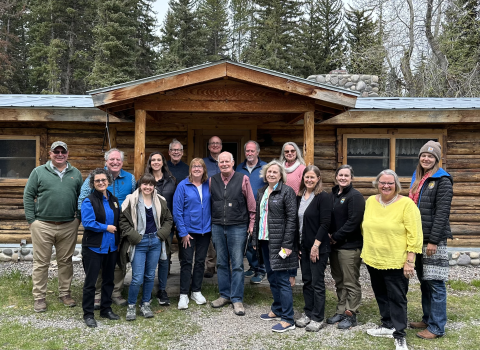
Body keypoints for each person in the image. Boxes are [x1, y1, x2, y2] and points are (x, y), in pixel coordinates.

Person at [362, 169, 423, 350]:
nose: (386, 186)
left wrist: (410, 260)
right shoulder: (371, 202)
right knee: (381, 294)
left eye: (390, 183)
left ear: (396, 184)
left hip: (396, 261)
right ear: (377, 184)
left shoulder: (406, 204)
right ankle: (387, 325)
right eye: (382, 182)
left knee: (397, 298)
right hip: (373, 259)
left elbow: (415, 234)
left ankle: (400, 334)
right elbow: (365, 227)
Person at [24, 141, 83, 313]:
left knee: (65, 261)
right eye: (56, 151)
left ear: (67, 153)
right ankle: (39, 297)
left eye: (62, 152)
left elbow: (81, 197)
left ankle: (65, 293)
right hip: (42, 224)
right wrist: (31, 220)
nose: (59, 154)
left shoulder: (76, 174)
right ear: (50, 153)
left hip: (68, 225)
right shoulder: (38, 172)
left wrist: (77, 219)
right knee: (41, 262)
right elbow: (28, 195)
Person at [78, 148, 136, 308]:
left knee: (118, 261)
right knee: (98, 262)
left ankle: (116, 292)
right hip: (100, 226)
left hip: (122, 227)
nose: (115, 162)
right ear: (106, 161)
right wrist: (84, 219)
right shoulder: (95, 177)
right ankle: (97, 293)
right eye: (112, 160)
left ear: (122, 162)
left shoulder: (130, 179)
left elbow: (135, 199)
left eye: (118, 160)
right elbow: (83, 197)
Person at [408, 141, 453, 340]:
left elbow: (442, 213)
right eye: (423, 155)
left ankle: (436, 327)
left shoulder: (442, 180)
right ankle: (428, 318)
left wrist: (434, 240)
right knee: (425, 282)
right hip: (418, 239)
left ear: (437, 159)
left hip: (432, 240)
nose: (426, 158)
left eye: (431, 156)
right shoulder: (418, 178)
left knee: (435, 283)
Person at [119, 173, 173, 321]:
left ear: (154, 186)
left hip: (155, 242)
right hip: (139, 242)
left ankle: (145, 304)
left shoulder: (160, 200)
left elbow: (168, 219)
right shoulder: (131, 200)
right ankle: (131, 306)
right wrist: (135, 237)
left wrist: (161, 234)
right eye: (145, 184)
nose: (148, 187)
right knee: (137, 277)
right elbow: (123, 221)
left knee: (150, 275)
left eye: (151, 184)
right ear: (140, 185)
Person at [252, 160, 298, 333]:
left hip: (280, 243)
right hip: (264, 241)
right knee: (271, 277)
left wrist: (287, 245)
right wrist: (256, 240)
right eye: (269, 172)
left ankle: (288, 318)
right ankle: (277, 309)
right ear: (265, 174)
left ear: (281, 175)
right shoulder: (262, 191)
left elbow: (292, 219)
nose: (271, 174)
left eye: (275, 172)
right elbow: (258, 217)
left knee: (282, 280)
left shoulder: (287, 192)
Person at [210, 151, 256, 316]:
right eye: (221, 162)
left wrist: (251, 225)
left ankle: (237, 299)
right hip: (217, 226)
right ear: (218, 164)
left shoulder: (243, 179)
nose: (223, 164)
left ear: (233, 162)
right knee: (221, 263)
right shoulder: (212, 180)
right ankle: (225, 295)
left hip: (237, 226)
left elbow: (252, 206)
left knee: (237, 264)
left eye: (226, 162)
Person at [81, 168, 121, 328]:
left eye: (103, 180)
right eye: (97, 180)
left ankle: (106, 308)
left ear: (108, 181)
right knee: (91, 282)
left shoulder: (114, 200)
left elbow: (118, 223)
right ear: (93, 183)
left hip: (111, 247)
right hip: (94, 247)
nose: (101, 182)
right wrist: (106, 228)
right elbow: (88, 223)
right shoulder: (88, 201)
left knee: (109, 280)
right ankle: (88, 314)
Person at [326, 165, 365, 329]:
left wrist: (335, 236)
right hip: (334, 246)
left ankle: (351, 313)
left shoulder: (355, 196)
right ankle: (341, 310)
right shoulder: (333, 195)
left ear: (351, 178)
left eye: (346, 175)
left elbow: (354, 221)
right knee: (339, 281)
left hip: (349, 246)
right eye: (340, 175)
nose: (342, 178)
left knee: (350, 282)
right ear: (336, 177)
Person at [294, 166, 331, 332]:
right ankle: (308, 312)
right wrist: (299, 246)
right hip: (304, 246)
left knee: (317, 282)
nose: (309, 180)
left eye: (312, 177)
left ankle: (317, 317)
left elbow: (325, 223)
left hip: (318, 248)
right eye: (306, 177)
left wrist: (316, 245)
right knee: (307, 281)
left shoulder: (323, 197)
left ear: (318, 178)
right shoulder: (300, 197)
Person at [173, 158, 212, 310]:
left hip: (205, 231)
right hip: (188, 232)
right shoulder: (183, 185)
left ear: (204, 169)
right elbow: (177, 210)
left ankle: (196, 291)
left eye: (199, 166)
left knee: (200, 262)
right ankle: (183, 294)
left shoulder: (208, 184)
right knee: (187, 262)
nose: (197, 168)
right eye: (194, 166)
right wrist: (182, 232)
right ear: (190, 169)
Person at [143, 152, 177, 306]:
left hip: (166, 226)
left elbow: (175, 204)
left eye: (159, 160)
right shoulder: (144, 180)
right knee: (147, 259)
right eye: (153, 160)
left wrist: (172, 224)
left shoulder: (171, 181)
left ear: (163, 162)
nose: (156, 162)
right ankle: (147, 290)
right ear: (149, 163)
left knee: (164, 259)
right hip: (147, 226)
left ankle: (162, 290)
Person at [236, 140, 267, 284]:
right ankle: (253, 266)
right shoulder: (239, 168)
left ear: (257, 152)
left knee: (258, 241)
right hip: (244, 211)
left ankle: (261, 270)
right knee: (248, 241)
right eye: (247, 151)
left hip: (262, 210)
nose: (249, 153)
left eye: (252, 151)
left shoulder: (265, 167)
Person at [203, 136, 222, 278]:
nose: (215, 145)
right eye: (212, 144)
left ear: (221, 146)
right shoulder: (203, 163)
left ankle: (222, 264)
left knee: (222, 233)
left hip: (224, 204)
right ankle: (210, 265)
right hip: (207, 203)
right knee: (209, 235)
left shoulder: (226, 161)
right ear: (209, 147)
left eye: (218, 143)